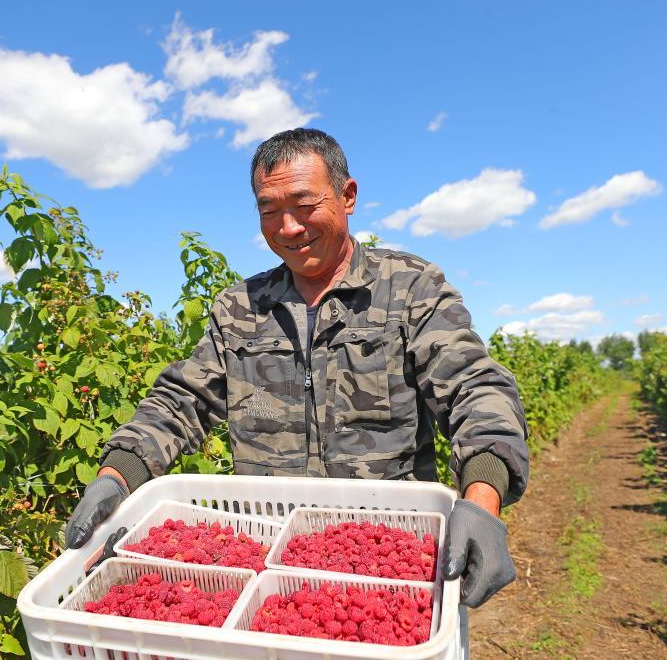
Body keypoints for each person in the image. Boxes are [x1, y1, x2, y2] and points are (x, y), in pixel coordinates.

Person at [66, 128, 529, 607]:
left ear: (347, 196)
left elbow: (475, 387)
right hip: (266, 564)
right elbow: (182, 400)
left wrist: (482, 498)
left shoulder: (410, 290)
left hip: (388, 555)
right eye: (269, 210)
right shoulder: (240, 308)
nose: (287, 227)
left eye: (304, 205)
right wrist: (117, 475)